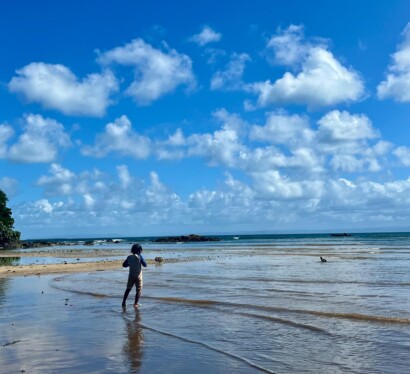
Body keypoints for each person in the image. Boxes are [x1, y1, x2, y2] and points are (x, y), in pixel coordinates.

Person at [122, 244, 147, 309]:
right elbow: (145, 265)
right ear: (140, 251)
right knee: (138, 290)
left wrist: (129, 264)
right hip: (138, 276)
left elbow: (124, 265)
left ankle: (124, 302)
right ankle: (135, 304)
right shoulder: (140, 256)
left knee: (128, 289)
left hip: (131, 276)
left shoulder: (129, 257)